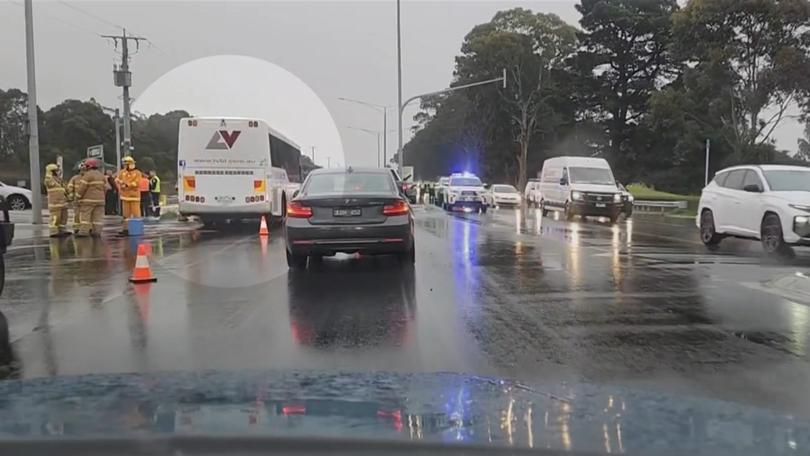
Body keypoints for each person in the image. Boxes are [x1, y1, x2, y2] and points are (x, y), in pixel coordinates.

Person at [75, 158, 107, 237]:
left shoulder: (87, 175)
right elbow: (106, 188)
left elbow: (82, 188)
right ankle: (97, 232)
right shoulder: (101, 175)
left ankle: (83, 232)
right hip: (100, 201)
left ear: (88, 166)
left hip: (88, 201)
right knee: (98, 218)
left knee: (85, 216)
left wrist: (77, 197)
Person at [116, 156, 143, 235]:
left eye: (126, 164)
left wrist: (127, 185)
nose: (125, 166)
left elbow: (136, 183)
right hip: (125, 196)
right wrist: (121, 184)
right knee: (125, 215)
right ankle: (126, 229)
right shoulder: (122, 172)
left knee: (136, 214)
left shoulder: (137, 173)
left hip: (134, 197)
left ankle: (137, 230)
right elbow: (117, 179)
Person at [43, 163, 69, 237]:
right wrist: (48, 173)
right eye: (55, 171)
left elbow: (65, 188)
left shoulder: (59, 180)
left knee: (64, 217)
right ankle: (54, 232)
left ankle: (62, 230)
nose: (57, 172)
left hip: (63, 202)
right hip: (55, 203)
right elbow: (48, 182)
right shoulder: (48, 179)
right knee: (55, 218)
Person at [66, 161, 86, 230]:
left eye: (84, 170)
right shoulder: (75, 178)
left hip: (86, 200)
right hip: (76, 199)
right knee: (77, 214)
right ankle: (77, 228)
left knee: (86, 215)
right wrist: (71, 194)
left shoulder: (88, 178)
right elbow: (70, 186)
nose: (83, 171)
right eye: (82, 170)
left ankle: (85, 227)